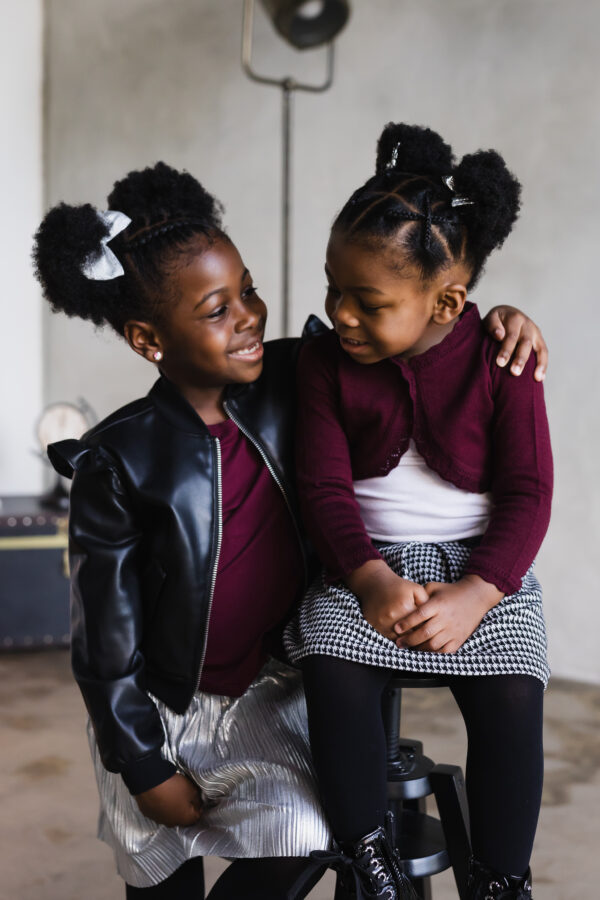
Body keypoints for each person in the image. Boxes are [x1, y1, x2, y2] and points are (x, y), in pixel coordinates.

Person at [33, 159, 546, 900]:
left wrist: (498, 317)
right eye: (218, 309)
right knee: (164, 872)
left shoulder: (300, 371)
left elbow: (409, 318)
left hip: (262, 693)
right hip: (160, 707)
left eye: (250, 292)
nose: (248, 316)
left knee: (307, 837)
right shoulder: (117, 462)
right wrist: (141, 763)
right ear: (149, 339)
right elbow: (104, 641)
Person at [284, 124, 552, 900]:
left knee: (512, 689)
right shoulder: (325, 365)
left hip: (482, 568)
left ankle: (502, 875)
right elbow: (325, 490)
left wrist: (478, 592)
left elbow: (530, 494)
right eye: (333, 288)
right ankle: (368, 851)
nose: (342, 314)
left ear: (447, 301)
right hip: (361, 561)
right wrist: (367, 578)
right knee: (331, 665)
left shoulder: (506, 359)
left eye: (367, 302)